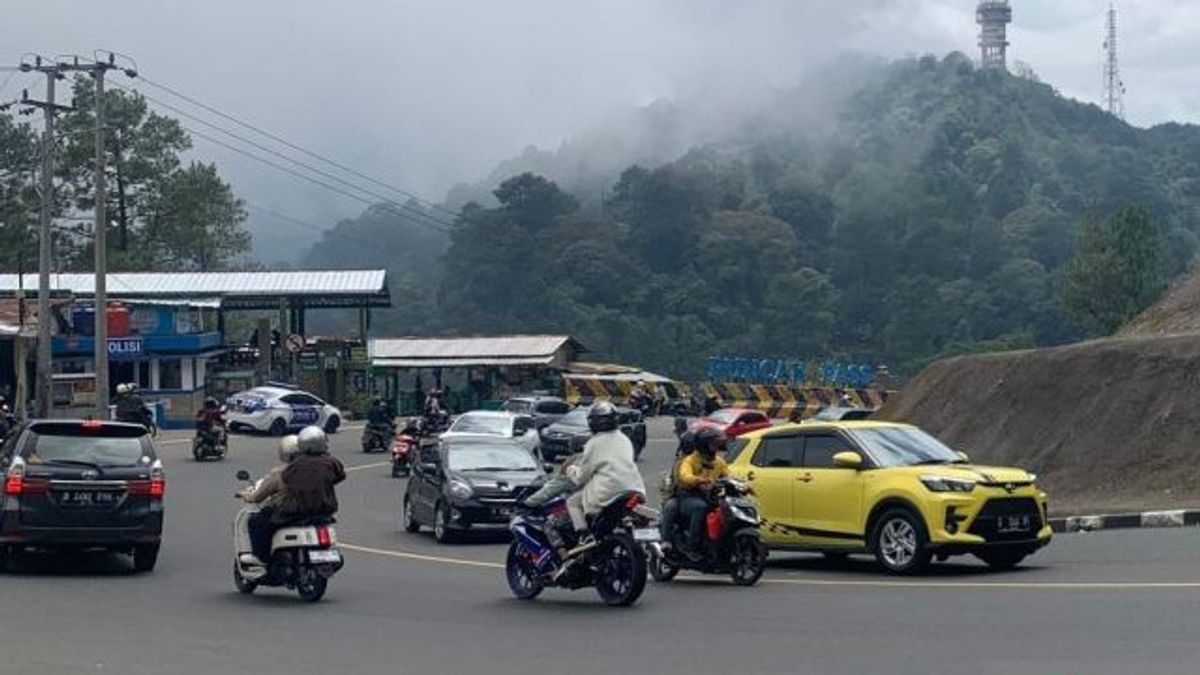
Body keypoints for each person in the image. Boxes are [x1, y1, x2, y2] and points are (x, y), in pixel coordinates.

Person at [562, 401, 645, 565]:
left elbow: (581, 478)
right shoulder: (624, 438)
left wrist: (570, 469)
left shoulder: (594, 443)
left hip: (607, 492)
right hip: (634, 488)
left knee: (572, 502)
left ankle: (583, 534)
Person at [238, 435, 300, 572]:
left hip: (286, 512)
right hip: (312, 512)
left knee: (256, 522)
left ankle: (261, 557)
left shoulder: (280, 473)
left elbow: (259, 496)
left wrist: (248, 496)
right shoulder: (313, 470)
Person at [675, 426, 730, 560]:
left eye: (718, 444)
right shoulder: (690, 460)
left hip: (711, 496)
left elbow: (728, 476)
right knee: (700, 508)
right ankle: (693, 546)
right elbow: (684, 475)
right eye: (714, 444)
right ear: (704, 445)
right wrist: (697, 480)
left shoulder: (719, 461)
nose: (717, 447)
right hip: (690, 496)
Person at [659, 429, 697, 546]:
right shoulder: (681, 462)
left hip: (702, 495)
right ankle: (666, 540)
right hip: (679, 494)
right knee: (670, 507)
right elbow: (679, 481)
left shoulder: (704, 460)